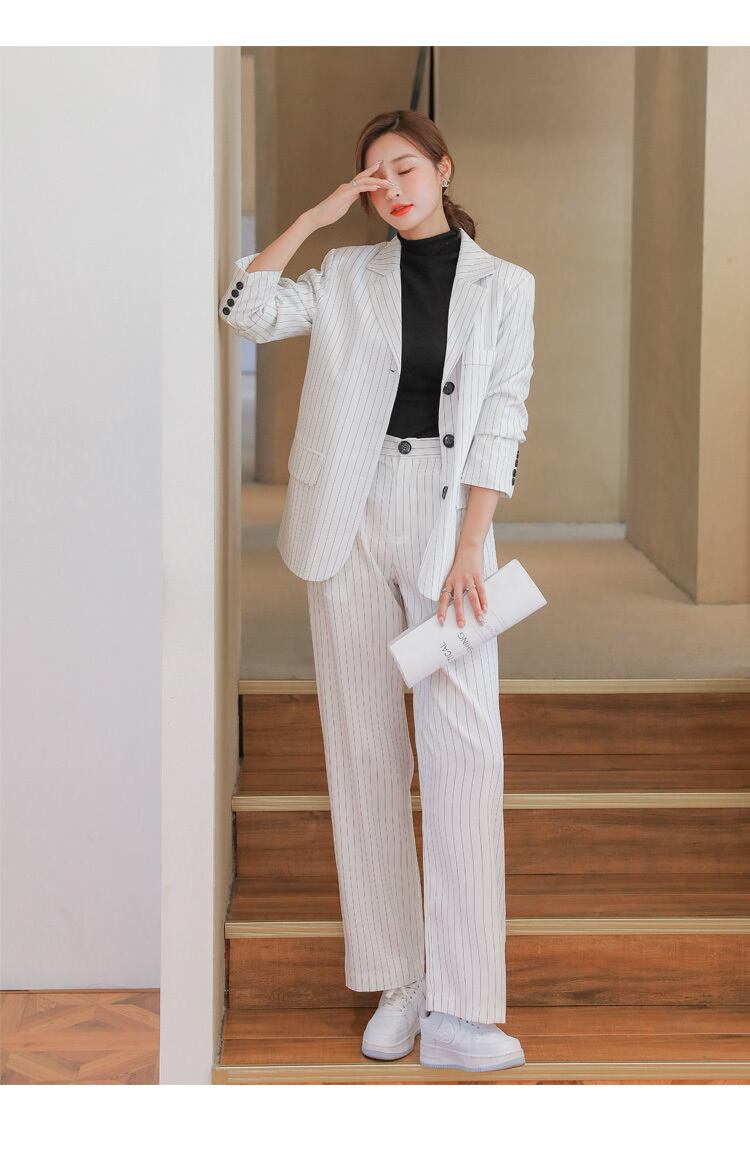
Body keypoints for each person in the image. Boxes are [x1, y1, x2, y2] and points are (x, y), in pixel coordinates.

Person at [219, 109, 535, 1073]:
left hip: (447, 519)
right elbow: (246, 310)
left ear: (444, 169)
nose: (391, 186)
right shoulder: (347, 273)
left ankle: (464, 1007)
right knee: (364, 749)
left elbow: (503, 415)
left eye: (406, 167)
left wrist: (472, 545)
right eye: (373, 175)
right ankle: (399, 978)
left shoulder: (504, 286)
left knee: (466, 750)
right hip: (347, 515)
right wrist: (316, 217)